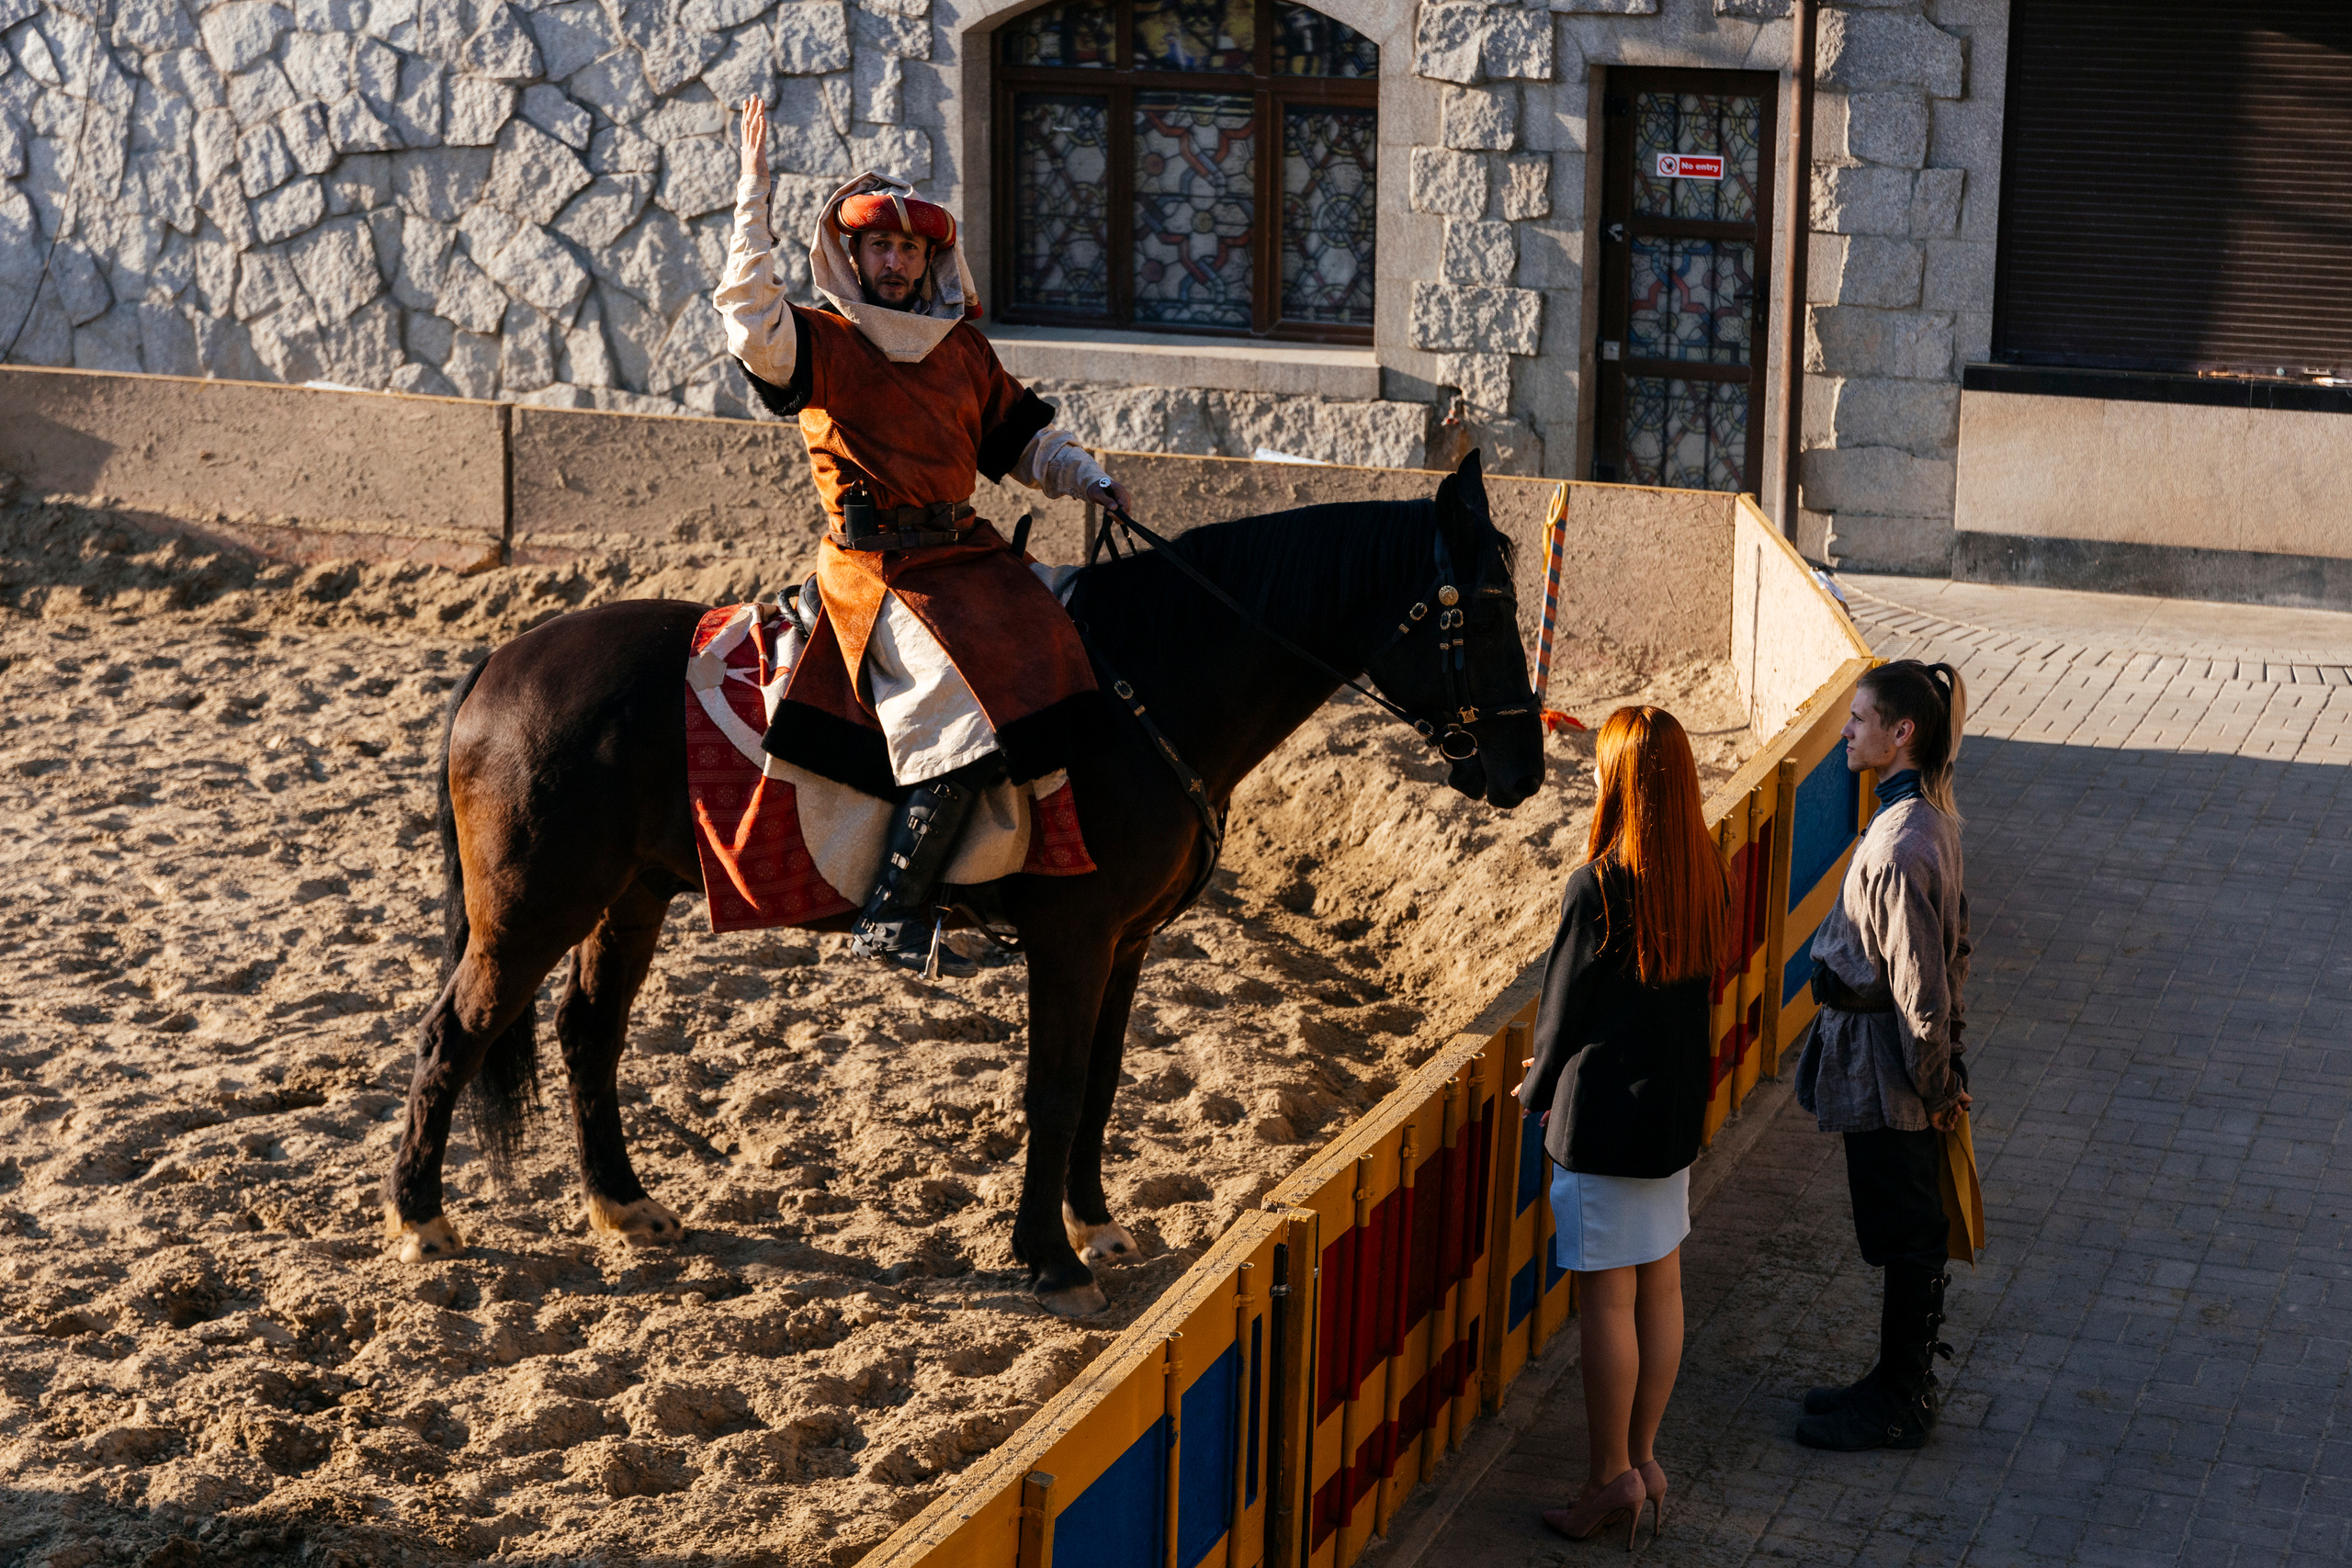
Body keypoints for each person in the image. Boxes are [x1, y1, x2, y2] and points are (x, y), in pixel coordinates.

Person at [715, 96, 1136, 973]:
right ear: (853, 254)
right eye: (881, 245)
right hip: (876, 570)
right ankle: (892, 912)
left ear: (931, 258)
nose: (897, 261)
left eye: (910, 249)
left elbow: (1025, 440)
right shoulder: (821, 342)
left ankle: (1013, 883)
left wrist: (1086, 476)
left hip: (965, 556)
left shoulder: (962, 351)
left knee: (1063, 654)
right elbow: (750, 320)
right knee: (966, 714)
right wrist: (753, 196)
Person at [1517, 705, 1729, 1548]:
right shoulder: (1704, 870)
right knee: (1662, 1285)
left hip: (1604, 1120)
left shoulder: (1598, 886)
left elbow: (1561, 1013)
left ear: (1620, 784)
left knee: (1607, 1298)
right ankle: (1644, 1459)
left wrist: (1534, 1088)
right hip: (1672, 1116)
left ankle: (1609, 1476)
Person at [1792, 659, 1973, 1451]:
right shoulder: (1922, 820)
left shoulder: (1901, 844)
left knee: (1908, 1235)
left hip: (1889, 1075)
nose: (1846, 731)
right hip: (1893, 1069)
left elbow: (1922, 993)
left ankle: (1901, 1400)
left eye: (1860, 719)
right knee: (1906, 1229)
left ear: (1901, 733)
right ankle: (1893, 1381)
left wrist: (1937, 1090)